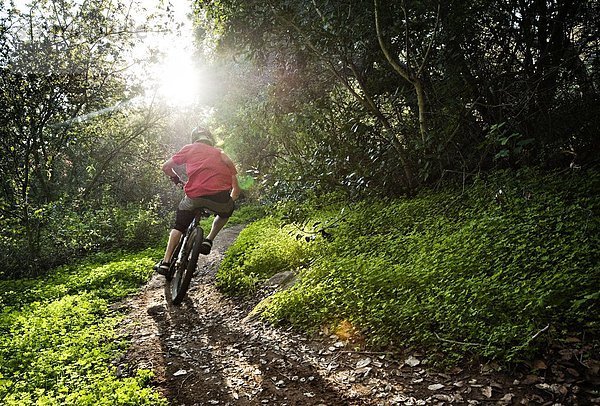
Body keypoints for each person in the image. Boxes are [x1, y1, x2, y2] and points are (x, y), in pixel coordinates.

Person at [154, 127, 241, 275]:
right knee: (226, 211)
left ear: (195, 138)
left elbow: (166, 167)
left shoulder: (190, 148)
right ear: (210, 139)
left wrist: (178, 181)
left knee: (179, 227)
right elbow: (236, 191)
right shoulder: (220, 154)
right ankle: (208, 240)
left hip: (194, 196)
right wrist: (229, 202)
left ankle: (166, 262)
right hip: (219, 198)